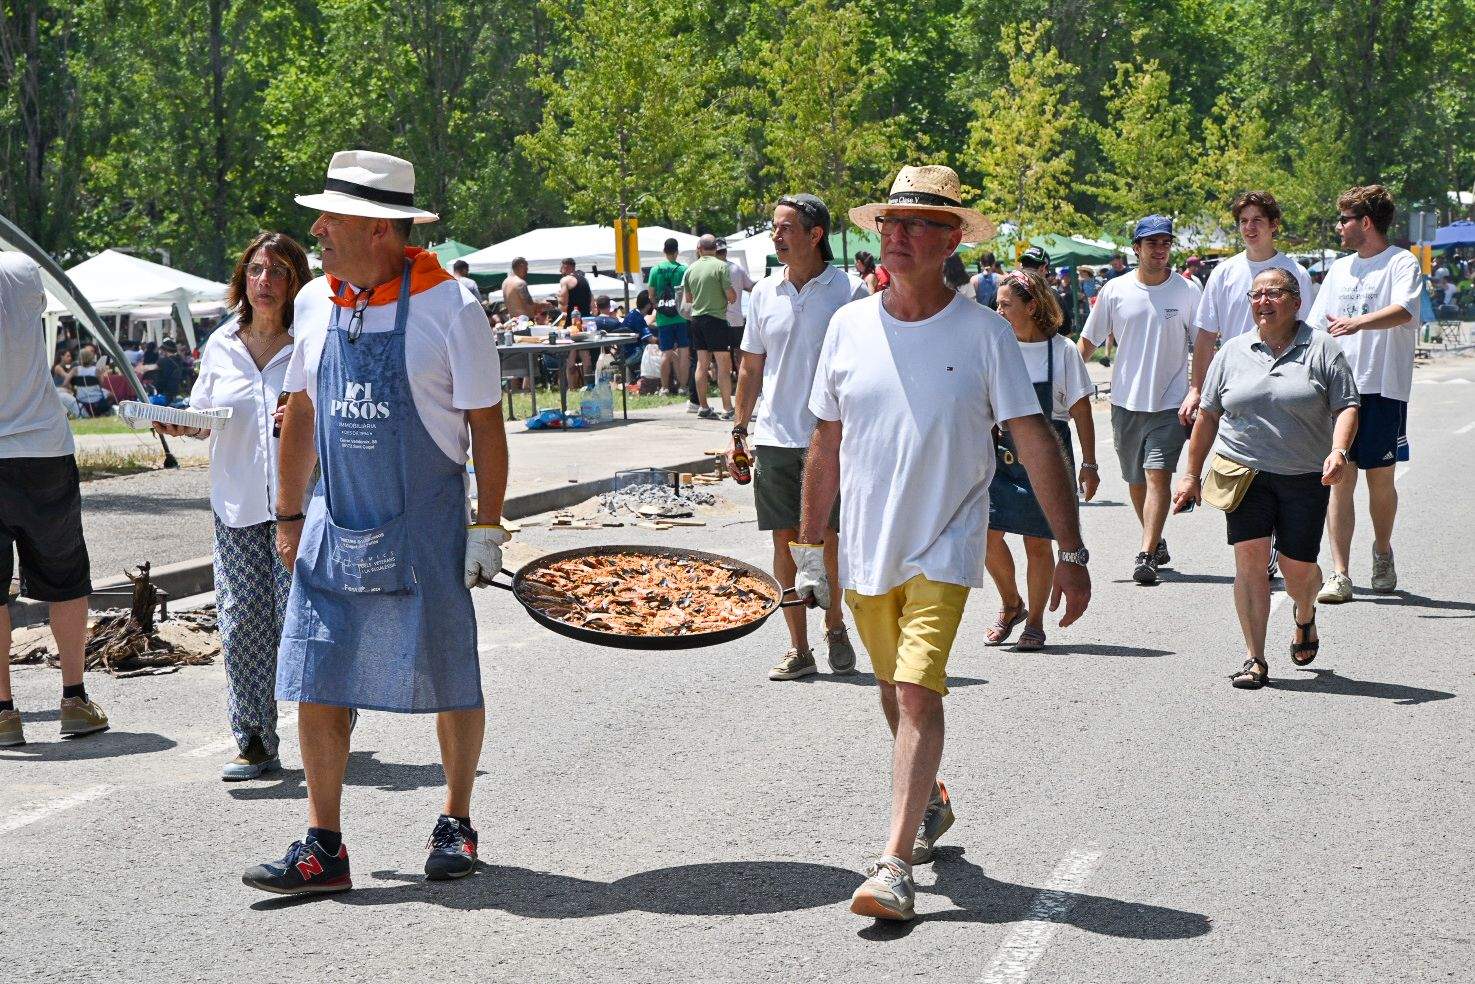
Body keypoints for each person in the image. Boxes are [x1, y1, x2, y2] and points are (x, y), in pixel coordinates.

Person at [794, 165, 1090, 921]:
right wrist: (806, 550)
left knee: (919, 690)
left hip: (948, 543)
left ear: (952, 239)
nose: (896, 235)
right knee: (895, 693)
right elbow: (824, 442)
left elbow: (1033, 440)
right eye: (889, 222)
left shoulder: (984, 333)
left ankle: (892, 865)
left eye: (918, 223)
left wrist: (1071, 549)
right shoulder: (847, 326)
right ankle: (929, 798)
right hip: (865, 548)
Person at [243, 150, 510, 895]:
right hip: (336, 523)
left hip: (425, 526)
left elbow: (485, 426)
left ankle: (456, 818)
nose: (319, 230)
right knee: (316, 676)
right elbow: (299, 411)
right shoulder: (316, 303)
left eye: (334, 218)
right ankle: (323, 844)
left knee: (451, 669)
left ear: (382, 231)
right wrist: (289, 514)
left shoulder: (451, 306)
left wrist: (486, 525)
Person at [152, 232, 312, 780]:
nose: (264, 282)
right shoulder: (221, 343)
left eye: (278, 273)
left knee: (307, 623)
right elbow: (204, 416)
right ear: (242, 280)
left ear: (296, 282)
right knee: (243, 624)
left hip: (304, 508)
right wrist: (179, 423)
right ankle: (254, 742)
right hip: (238, 506)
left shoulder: (311, 342)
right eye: (256, 272)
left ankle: (330, 726)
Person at [1173, 267, 1360, 689]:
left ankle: (1305, 613)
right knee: (1250, 564)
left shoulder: (1322, 348)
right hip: (1243, 472)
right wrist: (1190, 474)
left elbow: (1346, 404)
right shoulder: (1232, 352)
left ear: (1296, 302)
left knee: (1297, 571)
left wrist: (1338, 450)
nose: (1263, 302)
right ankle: (1254, 659)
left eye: (1273, 294)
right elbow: (1207, 415)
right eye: (1256, 295)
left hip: (1303, 475)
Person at [729, 193, 864, 682]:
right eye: (774, 227)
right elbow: (750, 366)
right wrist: (740, 430)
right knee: (785, 543)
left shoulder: (849, 291)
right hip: (774, 436)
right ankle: (797, 647)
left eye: (785, 228)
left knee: (826, 539)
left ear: (815, 234)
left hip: (830, 438)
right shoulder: (763, 292)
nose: (776, 236)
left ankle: (834, 626)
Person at [0, 253, 108, 747]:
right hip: (44, 447)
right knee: (66, 579)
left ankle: (3, 710)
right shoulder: (22, 267)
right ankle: (74, 697)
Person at [1190, 190, 1315, 581]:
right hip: (1237, 385)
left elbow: (1308, 332)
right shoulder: (1225, 272)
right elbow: (1206, 336)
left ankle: (1277, 542)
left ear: (1273, 225)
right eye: (1243, 221)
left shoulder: (1294, 272)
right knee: (1242, 462)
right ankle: (1256, 542)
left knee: (1278, 465)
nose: (1250, 227)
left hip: (1283, 381)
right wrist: (1197, 388)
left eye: (1257, 220)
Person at [1307, 184, 1422, 602]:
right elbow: (1317, 327)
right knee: (1339, 479)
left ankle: (1382, 549)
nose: (1339, 227)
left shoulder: (1401, 263)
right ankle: (1340, 573)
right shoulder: (1339, 270)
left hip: (1384, 388)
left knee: (1380, 482)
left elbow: (1406, 310)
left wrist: (1358, 323)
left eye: (1345, 220)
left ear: (1366, 223)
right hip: (1341, 390)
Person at [1078, 215, 1207, 586]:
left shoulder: (1186, 290)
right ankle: (1157, 538)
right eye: (1151, 243)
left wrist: (1196, 389)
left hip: (1170, 403)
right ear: (1136, 248)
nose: (1159, 249)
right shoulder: (1116, 291)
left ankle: (1146, 554)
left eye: (1165, 242)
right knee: (1135, 480)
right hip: (1124, 403)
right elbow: (1087, 342)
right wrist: (1063, 380)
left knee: (1156, 476)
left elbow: (1201, 344)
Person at [984, 271, 1098, 650]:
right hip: (1002, 454)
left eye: (1004, 304)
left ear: (1031, 306)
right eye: (996, 303)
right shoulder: (998, 347)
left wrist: (1090, 464)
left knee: (1037, 543)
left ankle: (1034, 622)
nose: (996, 310)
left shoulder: (1061, 350)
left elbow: (1082, 410)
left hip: (1048, 455)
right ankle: (1010, 602)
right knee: (985, 535)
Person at [681, 233, 738, 419]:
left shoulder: (690, 269)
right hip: (716, 318)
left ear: (699, 249)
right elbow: (730, 295)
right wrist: (731, 297)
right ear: (716, 248)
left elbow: (688, 299)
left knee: (701, 364)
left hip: (697, 319)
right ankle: (728, 408)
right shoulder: (721, 266)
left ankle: (703, 406)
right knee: (723, 365)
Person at [646, 237, 690, 399]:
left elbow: (651, 294)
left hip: (664, 318)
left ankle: (664, 388)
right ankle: (683, 387)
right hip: (681, 316)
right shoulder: (683, 269)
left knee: (666, 352)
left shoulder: (655, 270)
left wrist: (658, 308)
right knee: (684, 352)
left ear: (664, 251)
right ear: (677, 252)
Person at [716, 238, 754, 368]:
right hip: (736, 318)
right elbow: (751, 288)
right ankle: (740, 378)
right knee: (738, 350)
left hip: (717, 318)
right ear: (725, 251)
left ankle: (721, 377)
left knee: (720, 352)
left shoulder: (711, 270)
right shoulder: (737, 269)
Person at [65, 347, 113, 416]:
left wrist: (73, 389)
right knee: (111, 395)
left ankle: (88, 412)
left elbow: (65, 383)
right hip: (97, 398)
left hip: (81, 398)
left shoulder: (75, 370)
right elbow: (102, 384)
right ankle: (102, 412)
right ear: (91, 357)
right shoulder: (96, 370)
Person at [502, 257, 536, 322]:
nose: (527, 270)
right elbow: (529, 304)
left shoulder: (505, 283)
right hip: (524, 322)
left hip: (513, 321)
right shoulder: (520, 283)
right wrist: (541, 305)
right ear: (521, 266)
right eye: (526, 267)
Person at [154, 339, 187, 404]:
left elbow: (159, 381)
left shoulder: (162, 362)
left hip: (165, 395)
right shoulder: (179, 361)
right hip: (177, 393)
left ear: (165, 350)